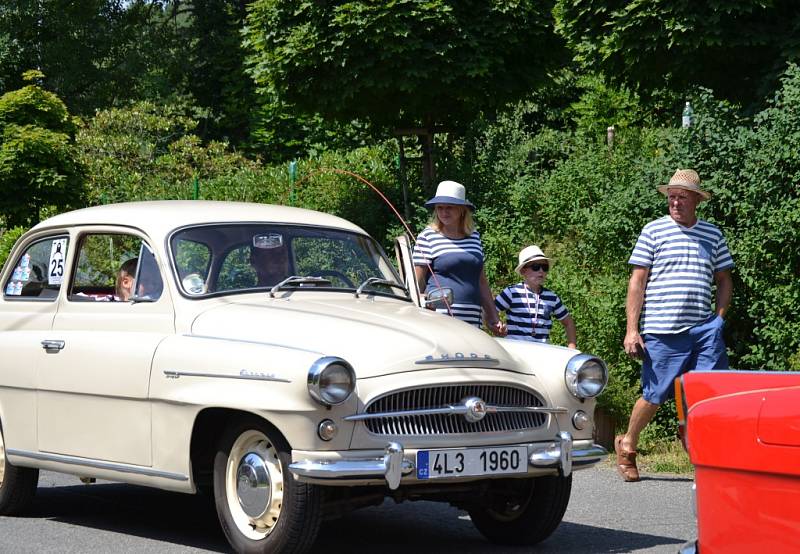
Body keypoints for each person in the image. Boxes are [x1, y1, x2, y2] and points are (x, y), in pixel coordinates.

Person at [616, 169, 734, 482]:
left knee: (707, 394)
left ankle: (703, 457)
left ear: (697, 199)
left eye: (682, 196)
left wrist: (718, 319)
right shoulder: (653, 231)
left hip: (704, 330)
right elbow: (637, 281)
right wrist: (632, 329)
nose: (676, 202)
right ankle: (628, 445)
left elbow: (724, 280)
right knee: (655, 395)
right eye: (672, 196)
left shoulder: (712, 235)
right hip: (662, 330)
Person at [412, 180, 504, 334]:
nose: (444, 212)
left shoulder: (474, 236)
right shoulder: (427, 236)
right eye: (440, 207)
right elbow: (417, 283)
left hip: (473, 319)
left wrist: (493, 317)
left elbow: (481, 281)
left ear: (462, 209)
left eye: (450, 207)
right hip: (439, 319)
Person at [495, 245, 577, 347]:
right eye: (535, 267)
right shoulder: (512, 292)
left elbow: (568, 322)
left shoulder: (552, 297)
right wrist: (497, 325)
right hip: (515, 350)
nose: (541, 271)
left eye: (544, 267)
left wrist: (572, 349)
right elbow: (489, 311)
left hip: (541, 352)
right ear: (523, 271)